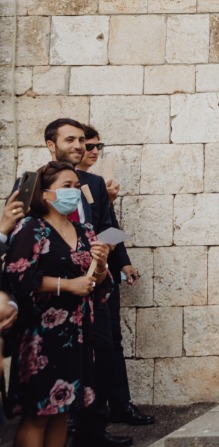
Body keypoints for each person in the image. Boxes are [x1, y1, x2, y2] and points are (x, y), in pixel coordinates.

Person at [5, 161, 113, 447]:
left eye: (76, 186)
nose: (73, 192)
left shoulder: (85, 230)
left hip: (76, 330)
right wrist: (66, 285)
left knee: (60, 411)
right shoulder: (31, 227)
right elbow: (18, 276)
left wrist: (102, 265)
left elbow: (97, 283)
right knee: (37, 413)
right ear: (46, 192)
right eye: (66, 186)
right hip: (41, 334)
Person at [39, 119, 138, 447]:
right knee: (54, 360)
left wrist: (110, 252)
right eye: (72, 140)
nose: (81, 146)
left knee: (102, 351)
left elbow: (109, 225)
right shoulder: (35, 184)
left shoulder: (95, 184)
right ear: (51, 145)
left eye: (84, 140)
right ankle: (56, 440)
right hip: (52, 289)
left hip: (96, 285)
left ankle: (92, 431)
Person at [77, 125, 153, 428]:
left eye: (97, 146)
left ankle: (120, 404)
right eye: (89, 145)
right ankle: (81, 414)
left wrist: (123, 262)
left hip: (104, 272)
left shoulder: (96, 183)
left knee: (113, 341)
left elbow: (109, 225)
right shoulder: (57, 182)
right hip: (77, 275)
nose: (94, 151)